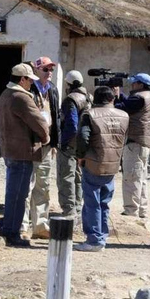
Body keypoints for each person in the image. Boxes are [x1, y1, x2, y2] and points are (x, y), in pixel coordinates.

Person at [0, 63, 50, 247]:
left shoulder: (5, 94)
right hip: (22, 152)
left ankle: (8, 226)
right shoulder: (22, 97)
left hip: (9, 150)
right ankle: (12, 232)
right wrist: (46, 137)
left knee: (13, 192)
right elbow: (40, 123)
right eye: (29, 80)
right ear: (22, 79)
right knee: (19, 195)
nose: (31, 84)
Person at [74, 86, 129, 252]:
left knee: (92, 203)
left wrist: (80, 156)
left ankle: (94, 239)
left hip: (93, 162)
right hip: (113, 164)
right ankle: (102, 237)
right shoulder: (124, 115)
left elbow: (83, 137)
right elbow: (124, 139)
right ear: (112, 99)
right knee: (104, 203)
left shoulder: (90, 114)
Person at [22, 56, 60, 239]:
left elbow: (56, 116)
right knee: (26, 185)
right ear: (36, 70)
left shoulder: (52, 89)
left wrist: (54, 142)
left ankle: (40, 226)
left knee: (43, 185)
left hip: (46, 144)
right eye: (45, 69)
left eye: (51, 70)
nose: (49, 73)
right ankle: (22, 225)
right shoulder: (28, 89)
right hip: (30, 143)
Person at [114, 73, 150, 219]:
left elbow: (122, 107)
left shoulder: (139, 98)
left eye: (134, 83)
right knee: (141, 178)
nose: (132, 85)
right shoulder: (147, 95)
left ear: (140, 84)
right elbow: (129, 103)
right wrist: (119, 94)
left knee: (131, 177)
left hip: (135, 142)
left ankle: (131, 210)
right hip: (142, 141)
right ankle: (141, 210)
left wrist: (112, 98)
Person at [57, 70, 92, 218]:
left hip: (70, 144)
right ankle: (77, 207)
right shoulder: (89, 97)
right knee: (78, 176)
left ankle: (69, 209)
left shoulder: (71, 99)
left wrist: (63, 143)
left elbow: (71, 124)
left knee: (66, 176)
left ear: (68, 84)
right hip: (83, 144)